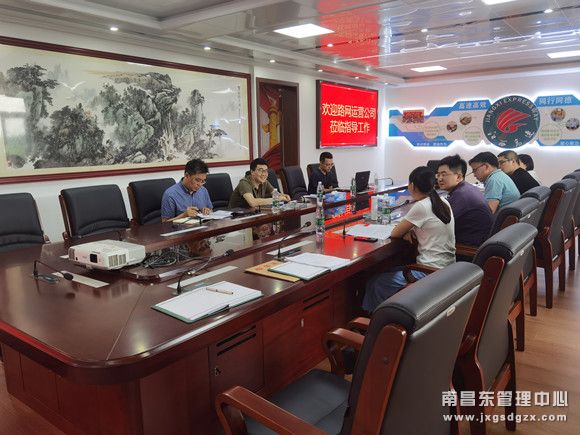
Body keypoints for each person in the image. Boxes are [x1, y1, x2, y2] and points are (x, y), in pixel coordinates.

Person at [362, 166, 455, 312]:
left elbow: (395, 233)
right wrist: (411, 229)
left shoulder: (422, 206)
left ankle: (378, 321)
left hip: (429, 271)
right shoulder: (443, 201)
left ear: (412, 185)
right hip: (447, 268)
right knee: (383, 272)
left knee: (376, 283)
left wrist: (407, 230)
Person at [437, 155, 493, 246]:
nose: (439, 179)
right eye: (438, 174)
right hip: (480, 239)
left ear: (458, 177)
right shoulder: (466, 188)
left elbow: (440, 224)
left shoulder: (461, 195)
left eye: (444, 174)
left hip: (470, 246)